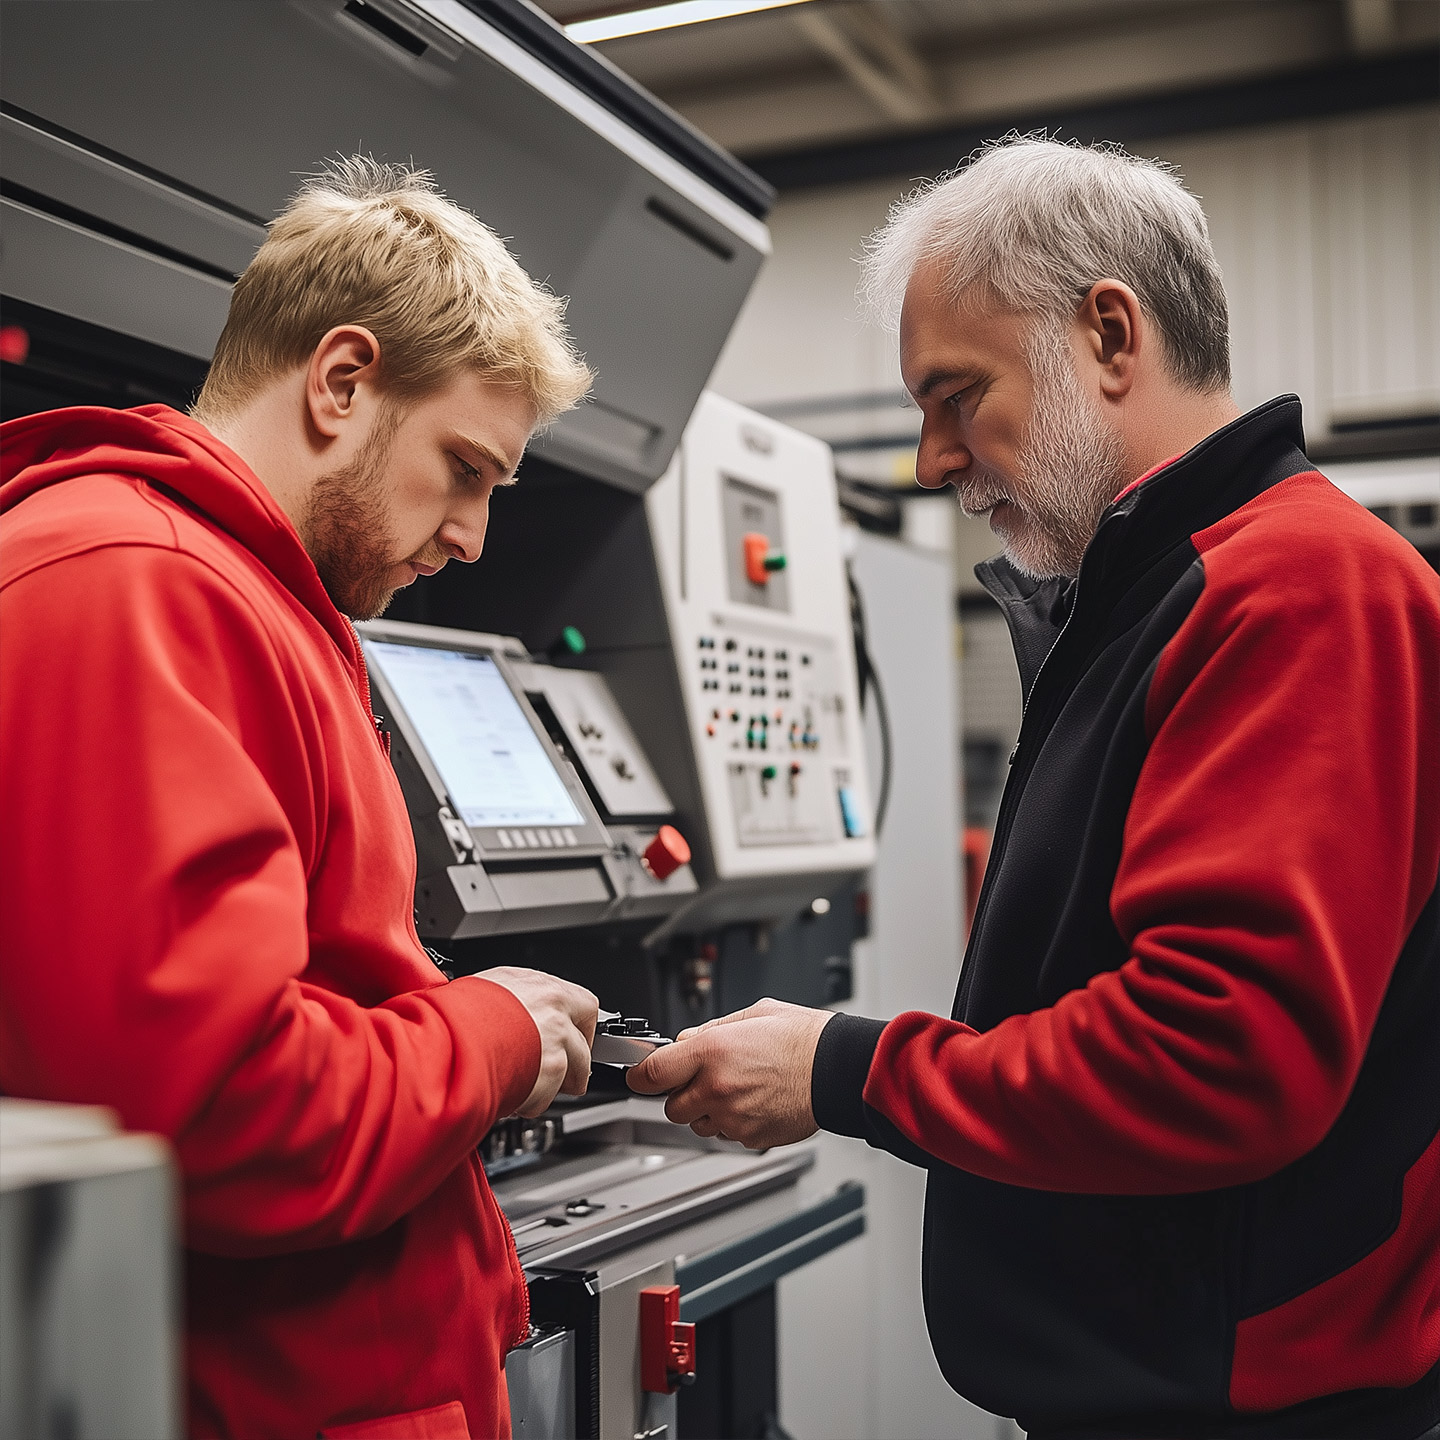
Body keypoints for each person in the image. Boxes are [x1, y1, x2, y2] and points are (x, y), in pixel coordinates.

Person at [630, 137, 1440, 1440]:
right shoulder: (1162, 594)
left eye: (957, 395)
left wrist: (847, 1071)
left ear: (1110, 334)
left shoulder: (1293, 589)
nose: (931, 461)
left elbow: (1213, 1053)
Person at [0, 158, 599, 1440]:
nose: (473, 536)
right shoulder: (133, 589)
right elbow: (216, 1110)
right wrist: (488, 1039)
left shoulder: (246, 599)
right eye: (464, 467)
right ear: (339, 380)